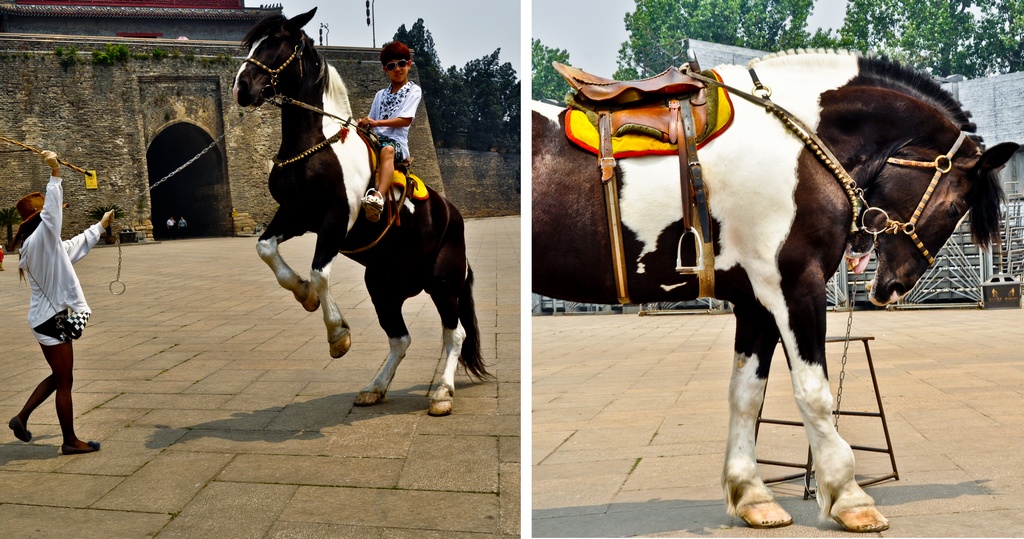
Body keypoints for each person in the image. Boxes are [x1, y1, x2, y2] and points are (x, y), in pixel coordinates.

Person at [7, 150, 113, 455]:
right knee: (65, 381)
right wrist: (55, 172)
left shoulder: (42, 246)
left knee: (60, 376)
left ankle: (22, 418)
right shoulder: (40, 240)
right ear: (39, 220)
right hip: (50, 319)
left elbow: (75, 246)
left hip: (44, 318)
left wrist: (101, 225)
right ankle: (69, 441)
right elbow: (52, 215)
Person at [357, 41, 422, 221]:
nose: (397, 69)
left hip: (396, 145)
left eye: (401, 63)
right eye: (391, 66)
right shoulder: (380, 95)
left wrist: (376, 123)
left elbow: (405, 120)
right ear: (386, 70)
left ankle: (377, 198)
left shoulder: (414, 91)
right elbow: (372, 122)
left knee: (387, 150)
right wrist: (363, 122)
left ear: (409, 64)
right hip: (376, 139)